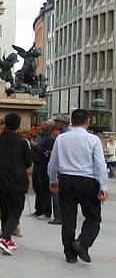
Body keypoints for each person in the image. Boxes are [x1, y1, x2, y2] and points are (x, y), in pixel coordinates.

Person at [48, 108, 108, 263]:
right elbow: (100, 164)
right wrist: (103, 186)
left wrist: (53, 180)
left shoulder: (61, 139)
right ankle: (82, 242)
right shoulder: (93, 140)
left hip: (67, 179)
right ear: (87, 121)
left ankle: (70, 253)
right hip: (88, 181)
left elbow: (53, 162)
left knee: (68, 218)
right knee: (93, 216)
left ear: (71, 121)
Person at [0, 113, 32, 256]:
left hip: (3, 178)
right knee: (16, 209)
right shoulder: (22, 142)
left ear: (5, 125)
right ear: (19, 126)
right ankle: (4, 238)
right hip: (18, 179)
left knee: (5, 209)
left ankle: (7, 238)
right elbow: (28, 162)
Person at [30, 121, 56, 218]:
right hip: (37, 164)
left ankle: (46, 211)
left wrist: (36, 146)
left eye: (45, 124)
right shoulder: (40, 136)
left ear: (50, 127)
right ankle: (38, 209)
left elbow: (48, 153)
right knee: (37, 186)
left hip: (44, 165)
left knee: (44, 188)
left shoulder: (51, 139)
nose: (42, 125)